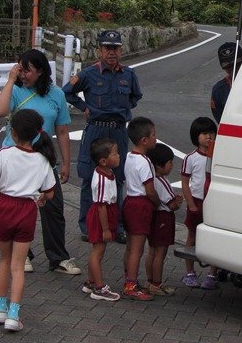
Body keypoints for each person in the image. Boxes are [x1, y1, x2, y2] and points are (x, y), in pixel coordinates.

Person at [0, 49, 80, 275]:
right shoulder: (16, 90)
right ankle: (23, 255)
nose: (23, 74)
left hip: (43, 159)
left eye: (27, 70)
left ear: (41, 71)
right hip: (16, 159)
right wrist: (11, 80)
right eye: (20, 69)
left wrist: (66, 163)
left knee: (53, 207)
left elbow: (62, 131)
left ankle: (58, 257)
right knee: (20, 208)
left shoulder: (56, 94)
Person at [0, 109, 57, 332]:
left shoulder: (6, 153)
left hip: (4, 207)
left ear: (13, 132)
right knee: (18, 266)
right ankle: (14, 314)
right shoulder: (43, 160)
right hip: (26, 211)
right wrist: (40, 197)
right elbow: (50, 192)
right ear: (38, 134)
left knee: (4, 260)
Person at [62, 30, 143, 244]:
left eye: (115, 48)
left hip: (117, 130)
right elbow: (67, 91)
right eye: (107, 48)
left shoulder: (129, 74)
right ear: (99, 50)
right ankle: (87, 227)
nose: (111, 52)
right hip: (96, 131)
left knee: (117, 179)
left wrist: (122, 109)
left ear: (121, 50)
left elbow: (136, 96)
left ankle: (117, 227)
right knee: (90, 178)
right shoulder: (89, 74)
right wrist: (83, 107)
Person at [122, 116, 159, 301]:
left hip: (129, 202)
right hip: (141, 205)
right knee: (138, 248)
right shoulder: (144, 162)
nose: (155, 138)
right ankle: (132, 284)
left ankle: (127, 279)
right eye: (153, 135)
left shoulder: (130, 157)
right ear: (144, 140)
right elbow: (150, 190)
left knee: (130, 247)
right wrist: (157, 202)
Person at [81, 137, 121, 302]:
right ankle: (99, 287)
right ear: (104, 161)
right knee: (98, 252)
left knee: (98, 251)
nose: (118, 156)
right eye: (115, 153)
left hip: (104, 214)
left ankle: (91, 282)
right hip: (101, 217)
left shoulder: (107, 172)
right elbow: (101, 206)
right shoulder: (103, 179)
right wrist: (105, 229)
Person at [181, 117, 219, 290]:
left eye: (211, 133)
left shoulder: (219, 155)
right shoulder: (191, 158)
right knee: (191, 236)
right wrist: (191, 204)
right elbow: (185, 183)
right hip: (196, 201)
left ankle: (212, 274)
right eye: (204, 134)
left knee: (214, 238)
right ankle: (190, 272)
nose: (208, 137)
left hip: (213, 200)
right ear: (196, 136)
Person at [144, 143, 183, 296]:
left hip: (154, 217)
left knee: (152, 251)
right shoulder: (162, 181)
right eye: (170, 163)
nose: (172, 166)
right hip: (163, 218)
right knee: (161, 252)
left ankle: (149, 280)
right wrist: (178, 202)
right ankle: (157, 284)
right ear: (159, 166)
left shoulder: (152, 180)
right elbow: (171, 205)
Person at [210, 42, 242, 124]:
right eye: (228, 68)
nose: (234, 70)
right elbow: (221, 120)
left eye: (237, 65)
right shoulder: (219, 91)